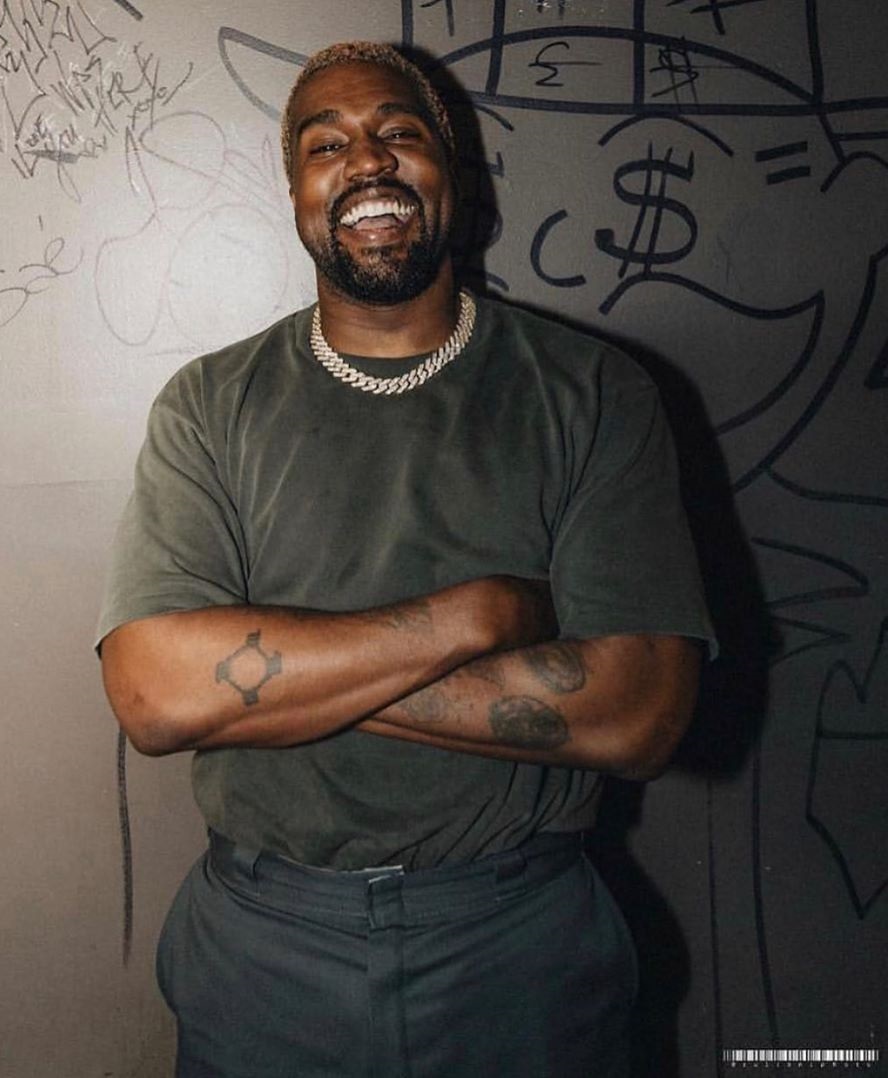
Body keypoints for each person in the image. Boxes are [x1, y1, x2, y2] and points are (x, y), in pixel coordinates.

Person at [97, 40, 715, 1078]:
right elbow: (155, 695)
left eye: (399, 131)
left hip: (520, 949)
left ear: (452, 173)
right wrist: (474, 619)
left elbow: (640, 711)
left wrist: (279, 679)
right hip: (263, 953)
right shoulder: (208, 405)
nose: (367, 160)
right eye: (325, 144)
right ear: (296, 193)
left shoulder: (593, 392)